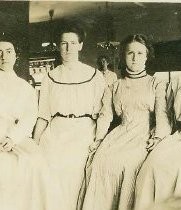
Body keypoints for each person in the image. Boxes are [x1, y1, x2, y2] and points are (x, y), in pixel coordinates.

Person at [77, 34, 170, 210]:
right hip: (121, 133)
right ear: (123, 56)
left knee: (129, 163)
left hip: (144, 134)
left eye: (140, 53)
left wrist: (158, 137)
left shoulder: (156, 83)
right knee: (99, 161)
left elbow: (162, 115)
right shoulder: (115, 86)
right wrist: (98, 139)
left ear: (147, 56)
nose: (135, 58)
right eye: (130, 53)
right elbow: (105, 115)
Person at [33, 21, 113, 209]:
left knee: (78, 176)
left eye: (73, 43)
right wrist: (34, 142)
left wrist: (99, 138)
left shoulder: (94, 75)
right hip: (55, 133)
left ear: (80, 45)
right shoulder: (49, 77)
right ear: (58, 46)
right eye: (63, 43)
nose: (68, 48)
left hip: (85, 133)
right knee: (50, 175)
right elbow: (43, 114)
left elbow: (104, 112)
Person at [134, 22, 181, 210]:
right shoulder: (179, 80)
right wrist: (159, 136)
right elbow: (167, 115)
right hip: (180, 135)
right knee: (151, 166)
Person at [0, 35, 63, 210]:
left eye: (8, 51)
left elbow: (29, 116)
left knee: (35, 161)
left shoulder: (25, 87)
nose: (3, 56)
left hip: (17, 135)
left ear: (15, 55)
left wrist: (12, 138)